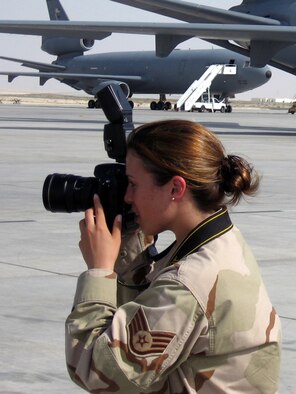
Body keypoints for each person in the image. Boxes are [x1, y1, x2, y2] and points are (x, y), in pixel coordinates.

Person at [65, 119, 281, 393]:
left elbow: (93, 370)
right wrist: (132, 243)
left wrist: (99, 271)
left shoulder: (189, 284)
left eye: (133, 184)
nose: (128, 197)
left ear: (176, 189)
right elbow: (144, 309)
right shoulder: (220, 241)